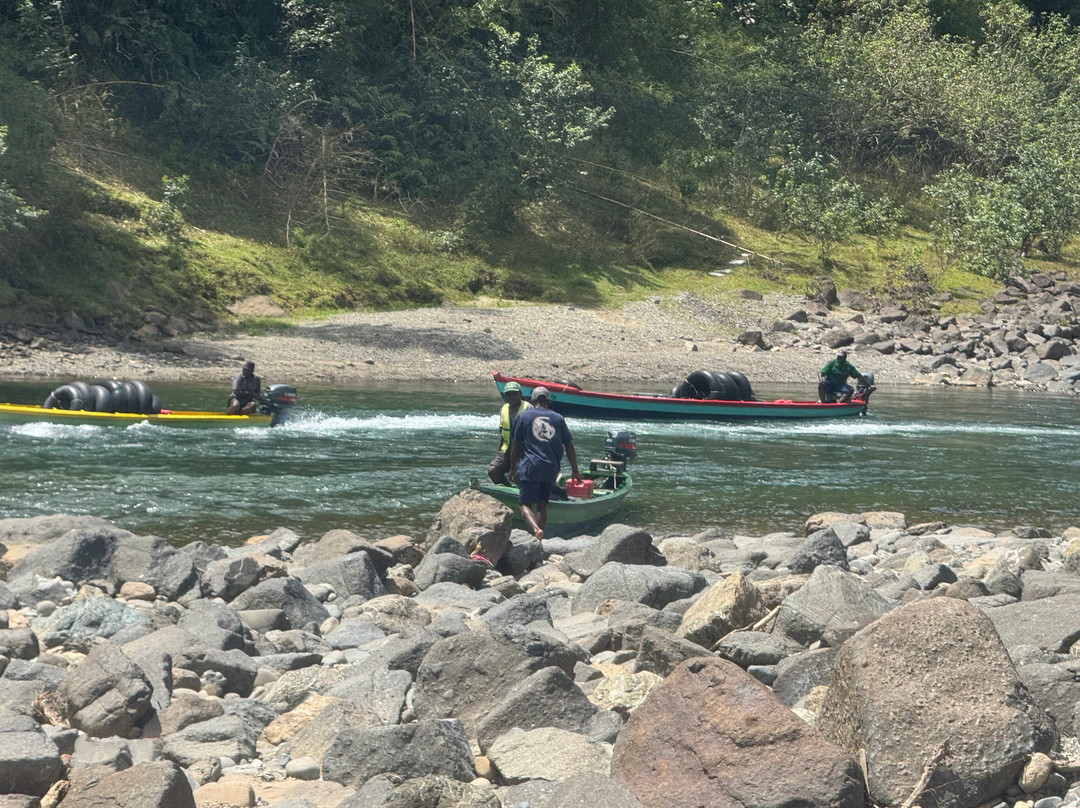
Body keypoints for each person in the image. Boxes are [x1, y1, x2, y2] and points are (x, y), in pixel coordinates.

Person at [508, 387, 580, 541]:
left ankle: (536, 530)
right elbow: (569, 445)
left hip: (530, 465)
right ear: (548, 401)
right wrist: (575, 470)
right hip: (551, 467)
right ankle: (539, 540)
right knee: (541, 505)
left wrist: (512, 468)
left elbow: (515, 445)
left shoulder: (523, 417)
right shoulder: (558, 418)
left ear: (532, 401)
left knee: (524, 505)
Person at [488, 381, 532, 484]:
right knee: (493, 471)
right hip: (507, 450)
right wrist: (499, 453)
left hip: (524, 451)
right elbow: (503, 434)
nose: (511, 396)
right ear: (505, 396)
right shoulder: (503, 409)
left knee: (519, 476)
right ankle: (506, 488)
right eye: (508, 394)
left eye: (514, 393)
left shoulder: (528, 408)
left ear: (520, 394)